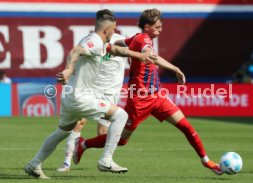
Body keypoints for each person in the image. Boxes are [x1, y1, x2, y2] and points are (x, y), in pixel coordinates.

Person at [73, 8, 223, 175]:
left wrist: (111, 49)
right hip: (139, 100)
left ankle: (206, 161)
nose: (160, 30)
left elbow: (121, 44)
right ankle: (83, 144)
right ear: (146, 27)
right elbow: (150, 56)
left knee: (186, 126)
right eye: (157, 27)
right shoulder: (144, 40)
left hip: (158, 96)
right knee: (122, 140)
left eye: (161, 26)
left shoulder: (137, 38)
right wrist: (176, 68)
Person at [24, 9, 155, 179]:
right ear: (107, 30)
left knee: (62, 132)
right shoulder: (94, 41)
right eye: (113, 30)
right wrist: (69, 69)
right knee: (121, 116)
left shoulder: (99, 42)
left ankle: (34, 164)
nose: (114, 33)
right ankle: (106, 160)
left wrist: (138, 55)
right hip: (80, 97)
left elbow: (116, 50)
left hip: (71, 96)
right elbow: (75, 51)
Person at [57, 33, 128, 172]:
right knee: (79, 122)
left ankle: (86, 148)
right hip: (93, 88)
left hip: (111, 91)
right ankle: (66, 162)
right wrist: (70, 70)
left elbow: (132, 49)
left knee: (102, 131)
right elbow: (77, 56)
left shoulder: (121, 40)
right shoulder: (93, 41)